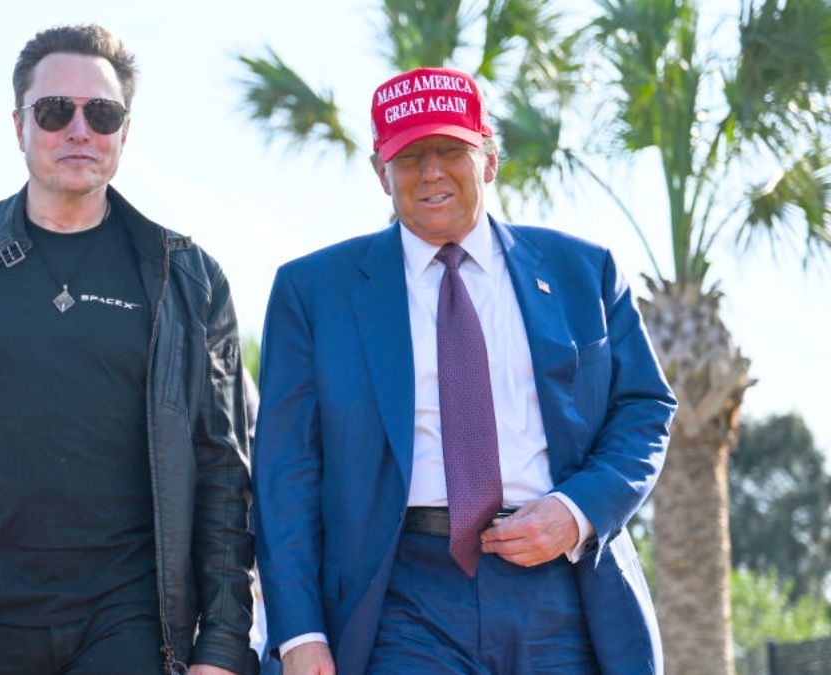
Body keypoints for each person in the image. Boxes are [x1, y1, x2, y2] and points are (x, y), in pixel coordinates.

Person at [0, 24, 257, 675]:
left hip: (132, 623)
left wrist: (224, 643)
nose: (78, 129)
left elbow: (223, 469)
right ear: (18, 125)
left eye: (101, 112)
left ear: (126, 131)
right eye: (53, 111)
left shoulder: (185, 277)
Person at [252, 67, 676, 674]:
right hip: (400, 599)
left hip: (561, 588)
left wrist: (576, 511)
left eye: (451, 150)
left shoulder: (585, 271)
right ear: (380, 173)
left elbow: (643, 408)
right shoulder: (313, 291)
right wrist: (299, 634)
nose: (431, 173)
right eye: (409, 156)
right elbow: (284, 474)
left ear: (490, 158)